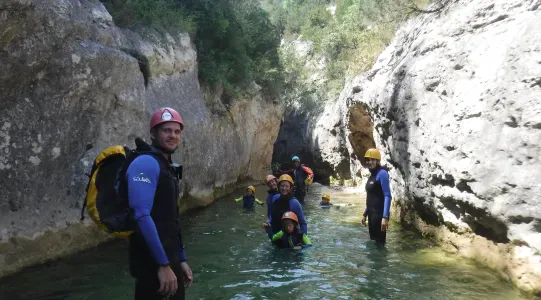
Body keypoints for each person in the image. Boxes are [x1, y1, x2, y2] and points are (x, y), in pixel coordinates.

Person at [126, 107, 193, 300]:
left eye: (177, 131)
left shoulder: (167, 168)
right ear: (154, 133)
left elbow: (171, 220)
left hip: (169, 260)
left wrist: (181, 259)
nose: (173, 135)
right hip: (152, 266)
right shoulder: (145, 163)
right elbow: (141, 215)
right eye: (166, 130)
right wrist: (162, 265)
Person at [360, 148, 392, 246]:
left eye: (372, 160)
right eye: (368, 160)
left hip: (379, 216)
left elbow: (387, 196)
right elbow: (372, 197)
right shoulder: (372, 176)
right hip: (371, 215)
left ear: (377, 161)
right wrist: (365, 214)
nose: (370, 162)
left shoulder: (382, 174)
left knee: (380, 246)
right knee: (373, 243)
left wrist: (385, 217)